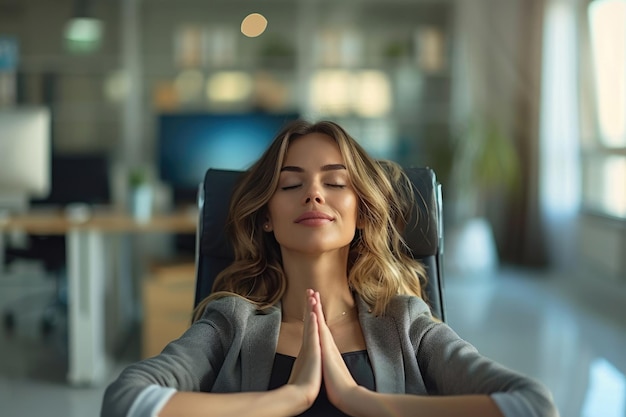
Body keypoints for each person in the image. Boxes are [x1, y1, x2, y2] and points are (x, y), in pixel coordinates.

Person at [101, 120, 559, 417]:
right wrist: (287, 397)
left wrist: (362, 400)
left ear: (359, 211)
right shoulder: (231, 322)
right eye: (291, 184)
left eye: (335, 182)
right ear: (266, 215)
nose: (314, 194)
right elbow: (126, 403)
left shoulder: (405, 323)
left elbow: (531, 405)